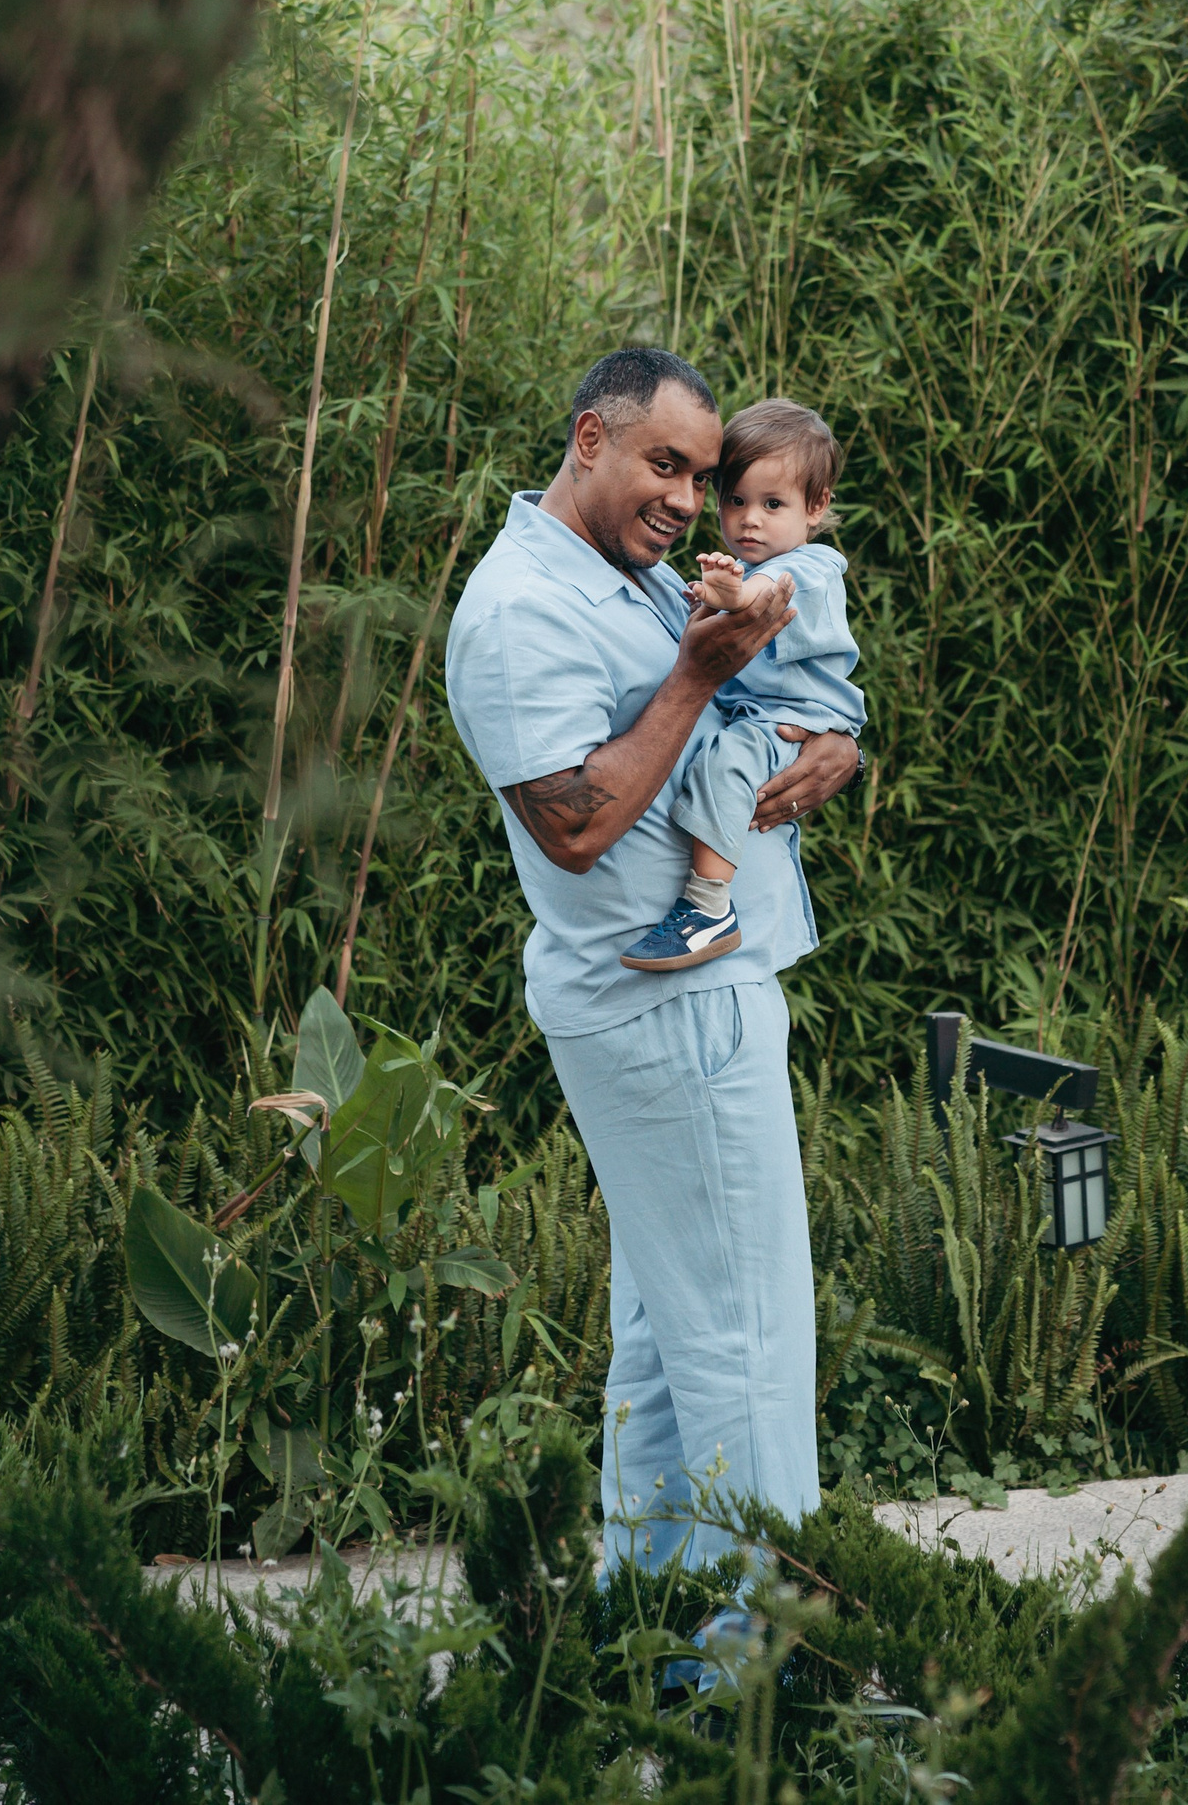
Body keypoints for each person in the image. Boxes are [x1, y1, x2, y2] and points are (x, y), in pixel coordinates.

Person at [443, 347, 860, 1571]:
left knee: (674, 1353)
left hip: (694, 998)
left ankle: (661, 1641)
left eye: (703, 476)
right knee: (749, 1346)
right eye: (665, 465)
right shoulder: (520, 610)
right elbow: (573, 824)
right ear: (590, 439)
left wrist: (837, 739)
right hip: (668, 1010)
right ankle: (766, 1655)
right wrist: (696, 671)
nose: (688, 499)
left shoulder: (626, 574)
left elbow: (760, 699)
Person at [622, 398, 865, 973]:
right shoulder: (746, 570)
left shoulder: (811, 568)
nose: (750, 518)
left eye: (772, 504)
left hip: (787, 722)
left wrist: (727, 594)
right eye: (736, 500)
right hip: (763, 715)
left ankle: (709, 907)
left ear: (816, 506)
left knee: (727, 764)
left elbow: (764, 597)